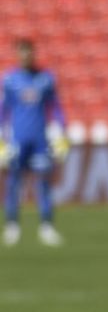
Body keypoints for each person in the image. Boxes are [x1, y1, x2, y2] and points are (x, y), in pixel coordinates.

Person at [1, 39, 68, 247]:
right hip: (18, 140)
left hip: (40, 140)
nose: (25, 56)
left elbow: (56, 107)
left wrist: (61, 132)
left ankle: (46, 226)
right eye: (22, 52)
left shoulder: (45, 79)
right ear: (17, 54)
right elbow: (3, 110)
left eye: (28, 52)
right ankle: (12, 225)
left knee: (43, 183)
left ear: (33, 53)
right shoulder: (10, 80)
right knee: (13, 182)